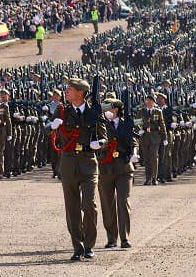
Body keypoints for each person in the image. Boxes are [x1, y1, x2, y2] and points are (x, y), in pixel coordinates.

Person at [50, 77, 105, 261]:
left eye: (70, 89)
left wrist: (100, 143)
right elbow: (47, 131)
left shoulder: (94, 111)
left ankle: (89, 244)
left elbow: (103, 135)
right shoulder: (62, 111)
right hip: (68, 163)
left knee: (89, 204)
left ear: (81, 92)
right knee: (71, 206)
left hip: (88, 162)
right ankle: (78, 246)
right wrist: (52, 125)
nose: (66, 92)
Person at [98, 98, 136, 249]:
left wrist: (134, 152)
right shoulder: (100, 124)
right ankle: (111, 237)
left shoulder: (126, 123)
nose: (106, 110)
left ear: (117, 109)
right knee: (107, 203)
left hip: (124, 167)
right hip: (106, 167)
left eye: (110, 107)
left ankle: (125, 237)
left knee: (123, 201)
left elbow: (133, 139)